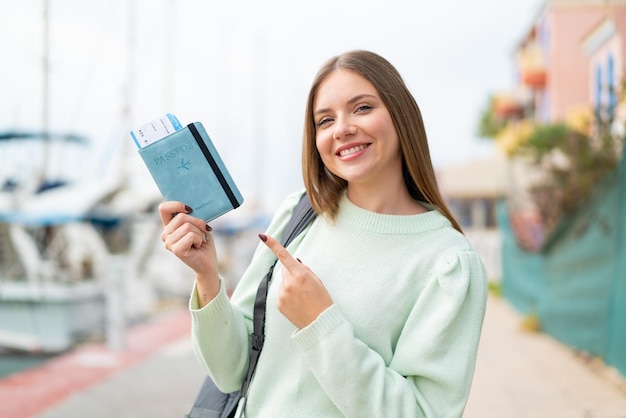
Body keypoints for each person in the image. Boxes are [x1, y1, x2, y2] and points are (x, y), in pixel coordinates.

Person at [159, 49, 488, 417]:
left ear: (401, 115)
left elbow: (424, 412)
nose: (342, 128)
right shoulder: (298, 213)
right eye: (325, 120)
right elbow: (230, 373)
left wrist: (320, 324)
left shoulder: (448, 262)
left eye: (362, 108)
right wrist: (207, 275)